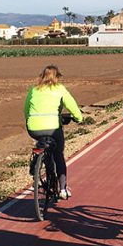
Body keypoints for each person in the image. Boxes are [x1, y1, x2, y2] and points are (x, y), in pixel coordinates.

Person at [24, 65, 84, 200]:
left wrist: (30, 120)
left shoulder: (34, 89)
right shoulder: (59, 89)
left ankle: (36, 163)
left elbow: (26, 108)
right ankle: (62, 189)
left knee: (42, 144)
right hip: (53, 128)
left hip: (33, 128)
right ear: (57, 77)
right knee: (58, 154)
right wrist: (79, 118)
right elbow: (71, 105)